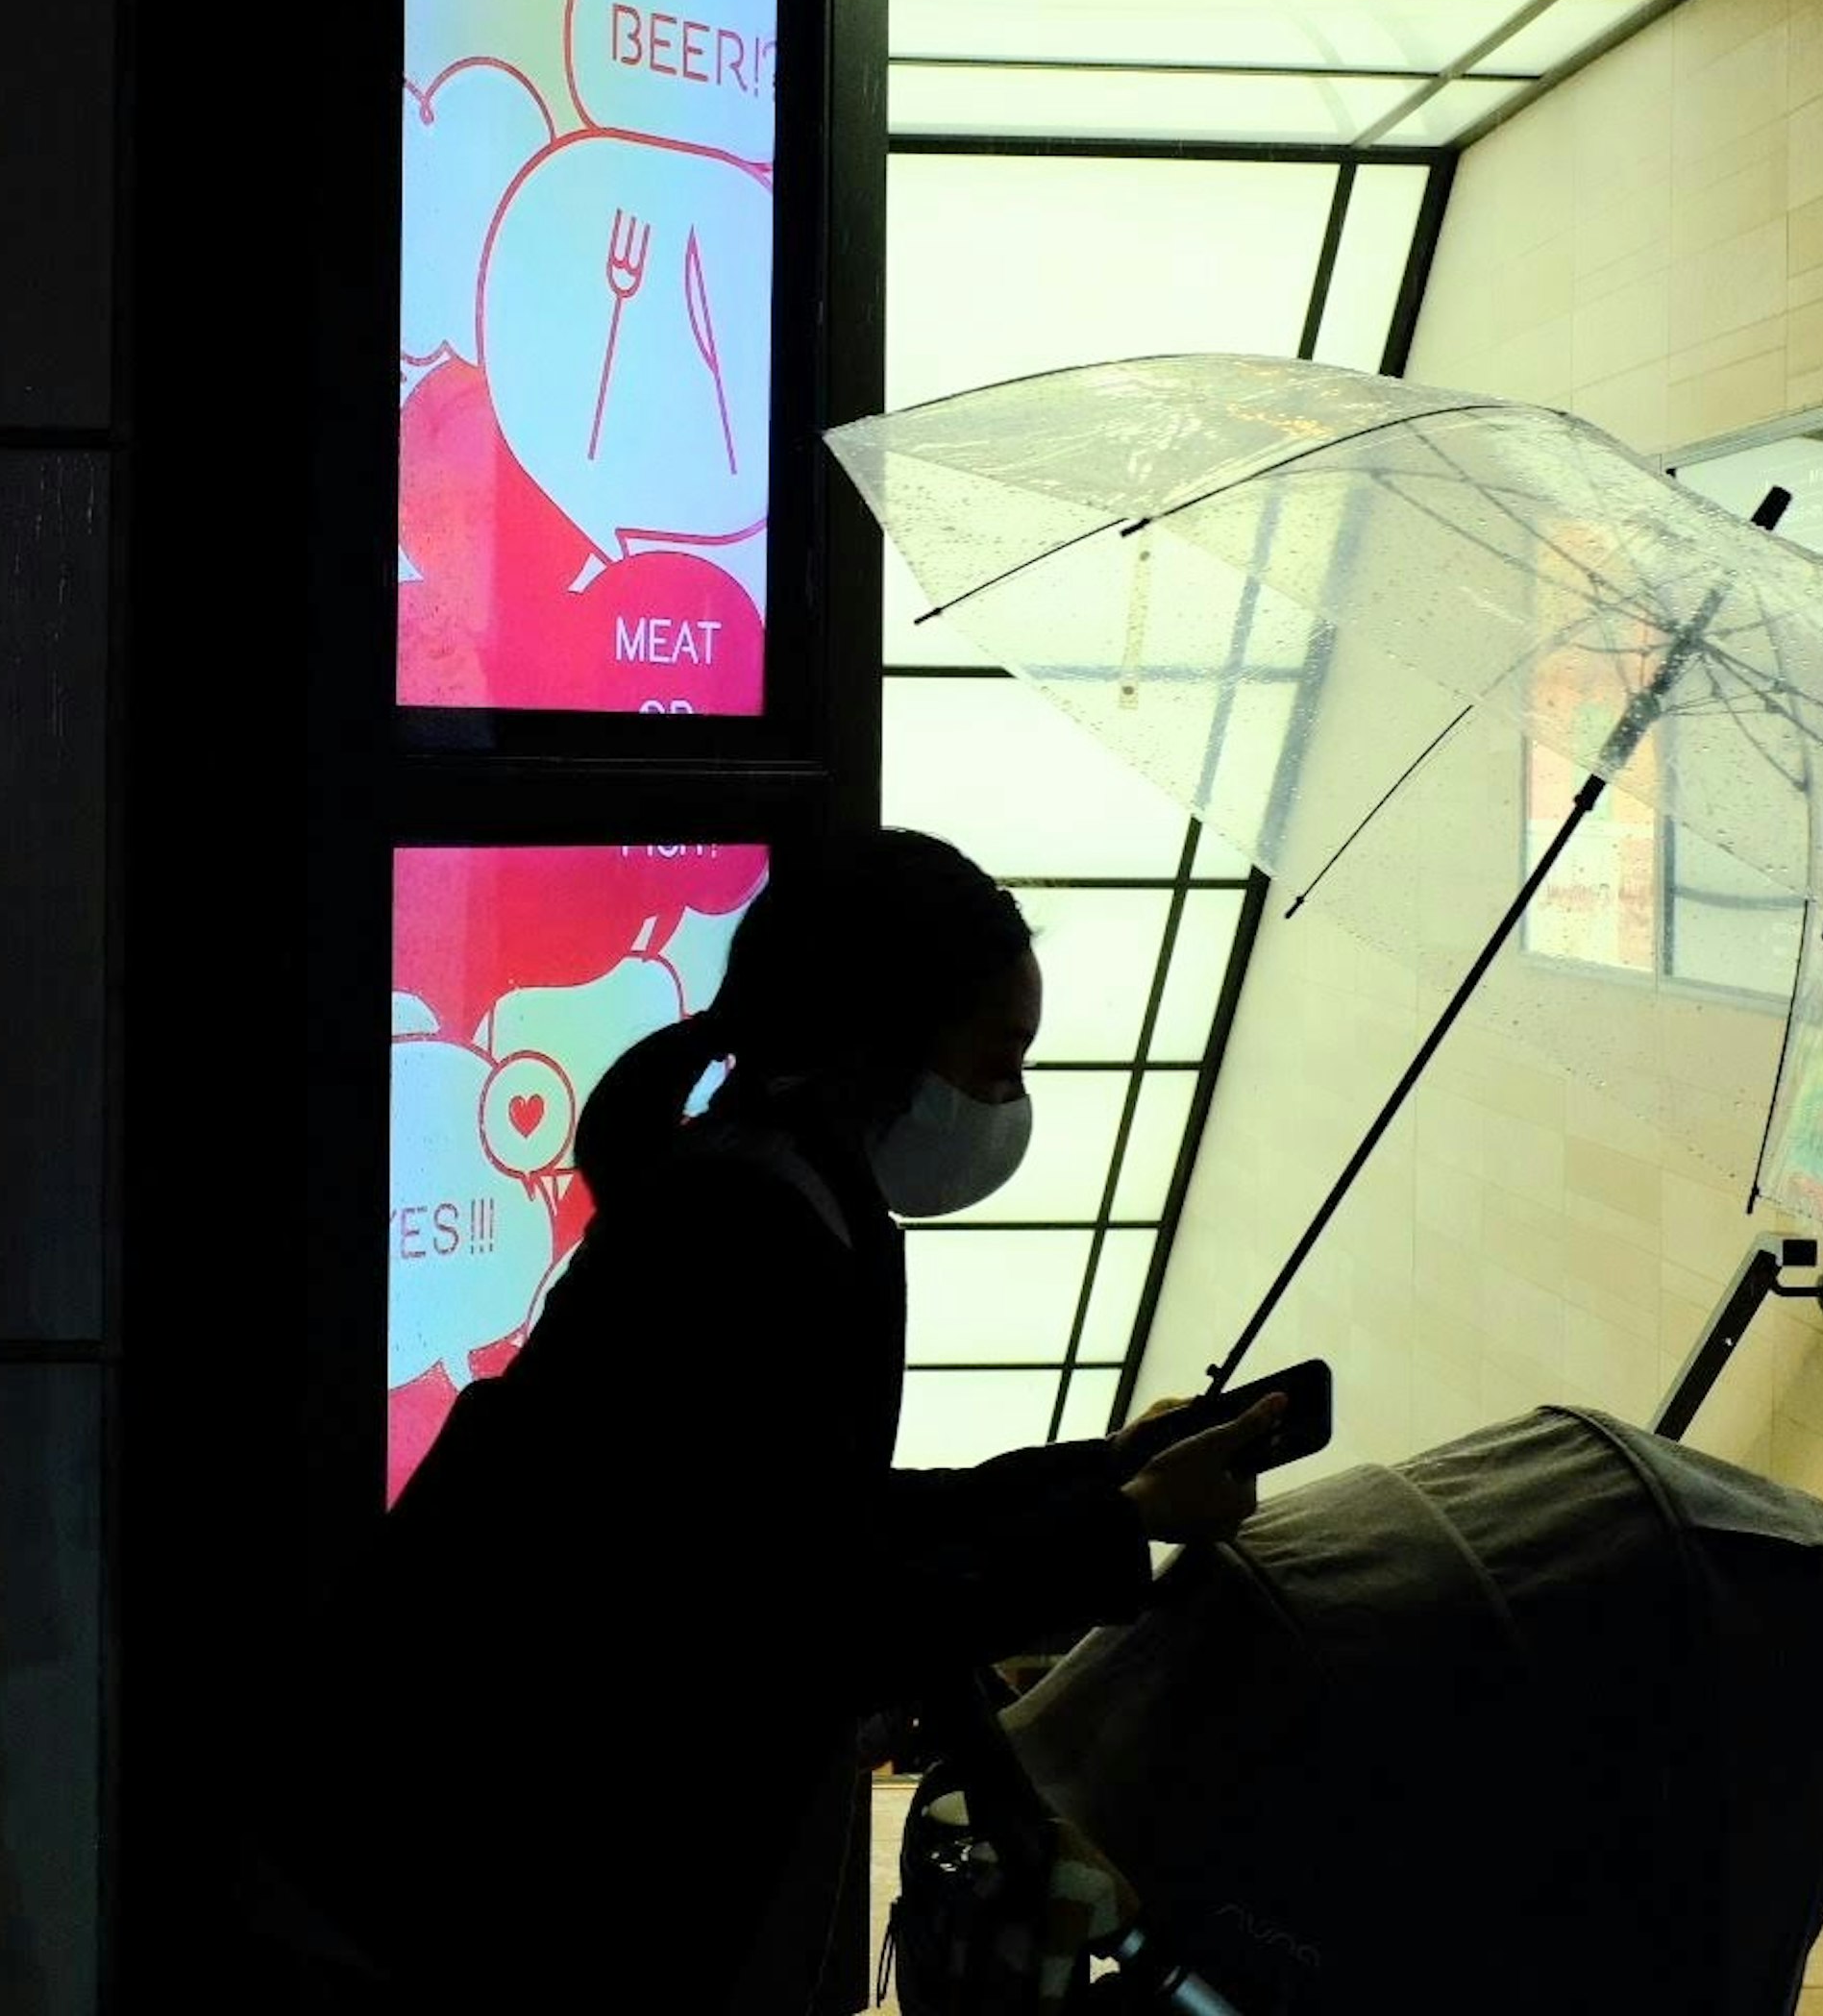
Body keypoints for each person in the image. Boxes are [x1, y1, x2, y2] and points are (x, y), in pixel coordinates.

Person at [308, 826, 1282, 2011]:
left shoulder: (772, 1187)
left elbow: (817, 1517)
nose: (1009, 1103)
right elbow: (815, 1611)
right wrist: (1119, 1526)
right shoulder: (748, 1237)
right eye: (996, 1060)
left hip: (479, 1852)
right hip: (500, 1878)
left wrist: (1100, 1474)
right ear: (882, 1037)